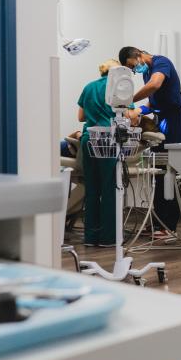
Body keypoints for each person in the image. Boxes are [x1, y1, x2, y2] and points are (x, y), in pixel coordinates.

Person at [119, 46, 181, 233]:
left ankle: (168, 226)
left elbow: (155, 85)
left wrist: (129, 100)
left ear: (138, 55)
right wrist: (137, 111)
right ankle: (158, 222)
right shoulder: (147, 72)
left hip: (173, 120)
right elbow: (152, 101)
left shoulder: (161, 62)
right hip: (161, 117)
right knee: (157, 172)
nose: (134, 70)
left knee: (168, 171)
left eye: (133, 66)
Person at [76, 60, 122, 247]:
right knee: (109, 189)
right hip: (108, 140)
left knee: (92, 189)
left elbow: (80, 117)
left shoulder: (88, 87)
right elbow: (129, 115)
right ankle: (108, 238)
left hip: (89, 139)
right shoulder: (118, 88)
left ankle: (91, 237)